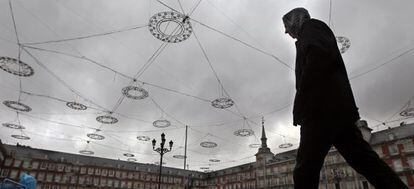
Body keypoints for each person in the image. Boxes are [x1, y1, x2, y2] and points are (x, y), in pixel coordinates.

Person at [282, 7, 408, 189]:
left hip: (319, 111)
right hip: (336, 112)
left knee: (305, 170)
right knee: (366, 162)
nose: (286, 31)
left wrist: (302, 102)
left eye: (287, 25)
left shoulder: (311, 27)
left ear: (296, 20)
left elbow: (317, 60)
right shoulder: (312, 32)